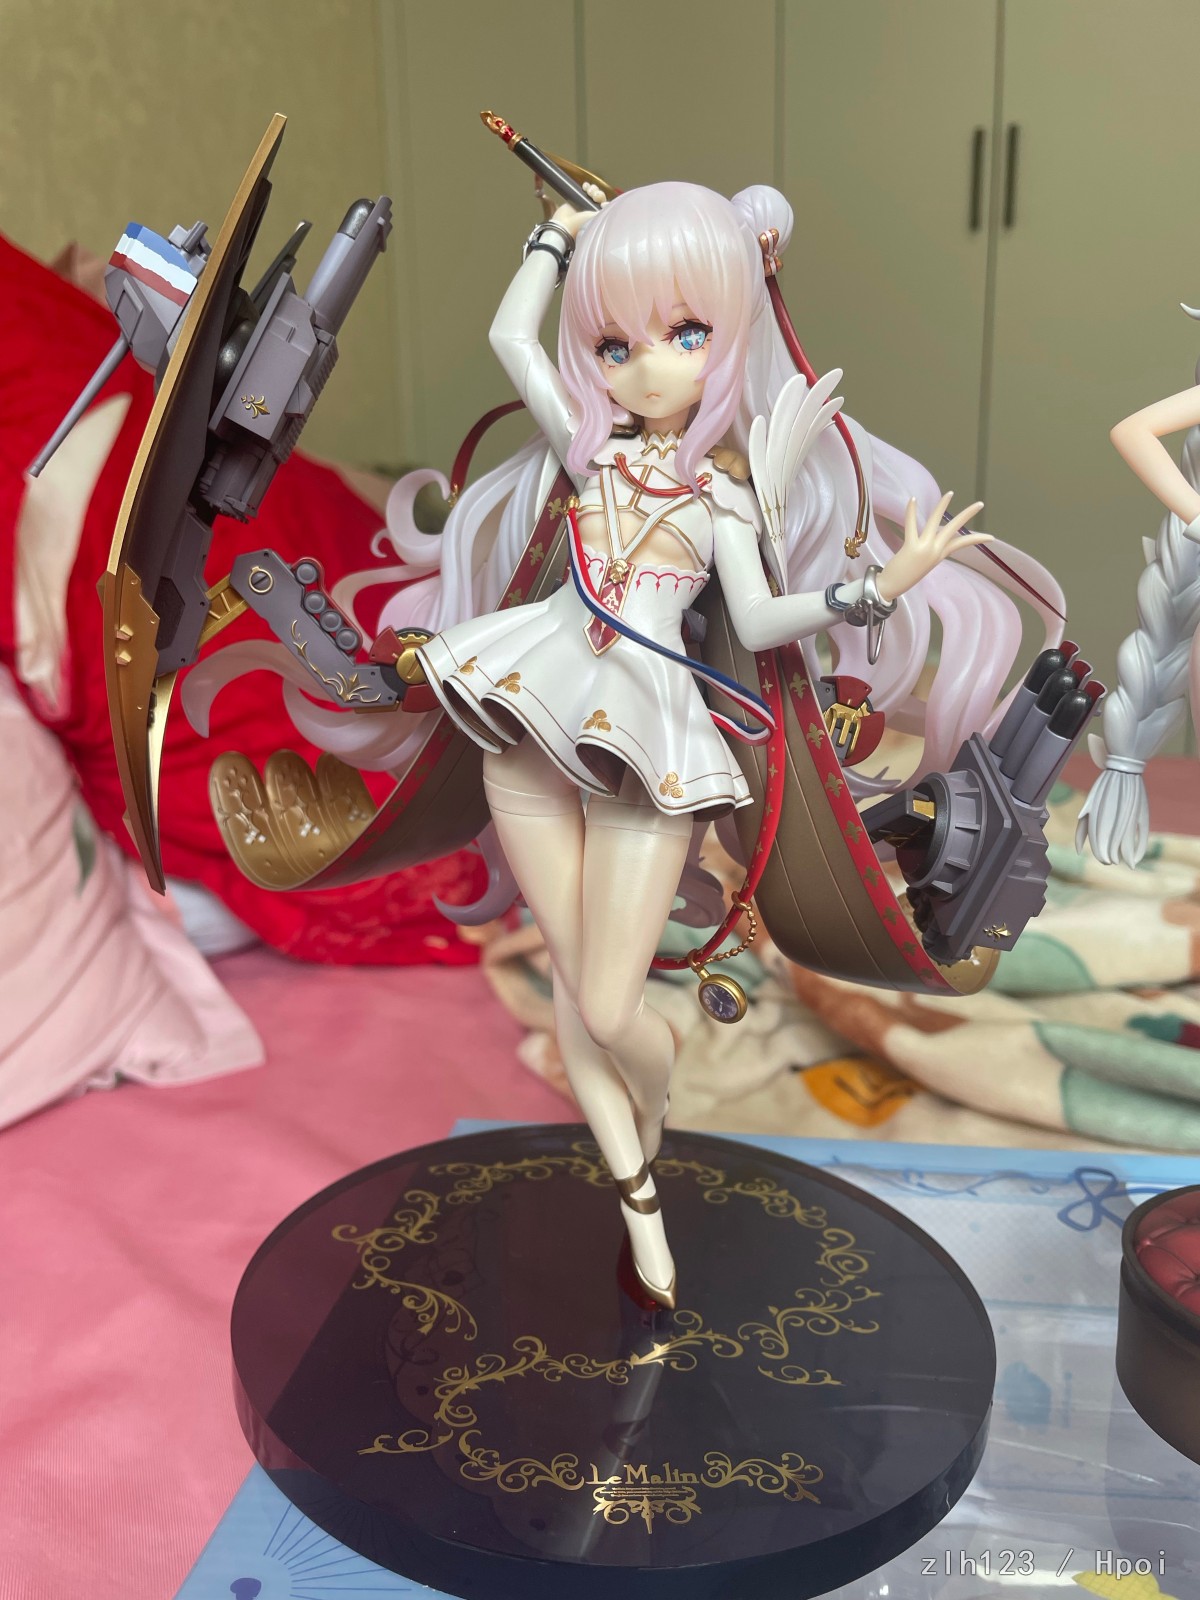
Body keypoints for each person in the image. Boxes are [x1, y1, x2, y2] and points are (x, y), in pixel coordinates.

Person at [190, 179, 1063, 1306]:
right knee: (575, 986)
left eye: (685, 333)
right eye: (615, 343)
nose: (648, 367)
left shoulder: (725, 499)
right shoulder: (587, 448)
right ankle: (640, 1201)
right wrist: (556, 233)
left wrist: (878, 586)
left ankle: (654, 1101)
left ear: (730, 338)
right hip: (529, 717)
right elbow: (513, 336)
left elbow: (760, 623)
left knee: (609, 1009)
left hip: (648, 739)